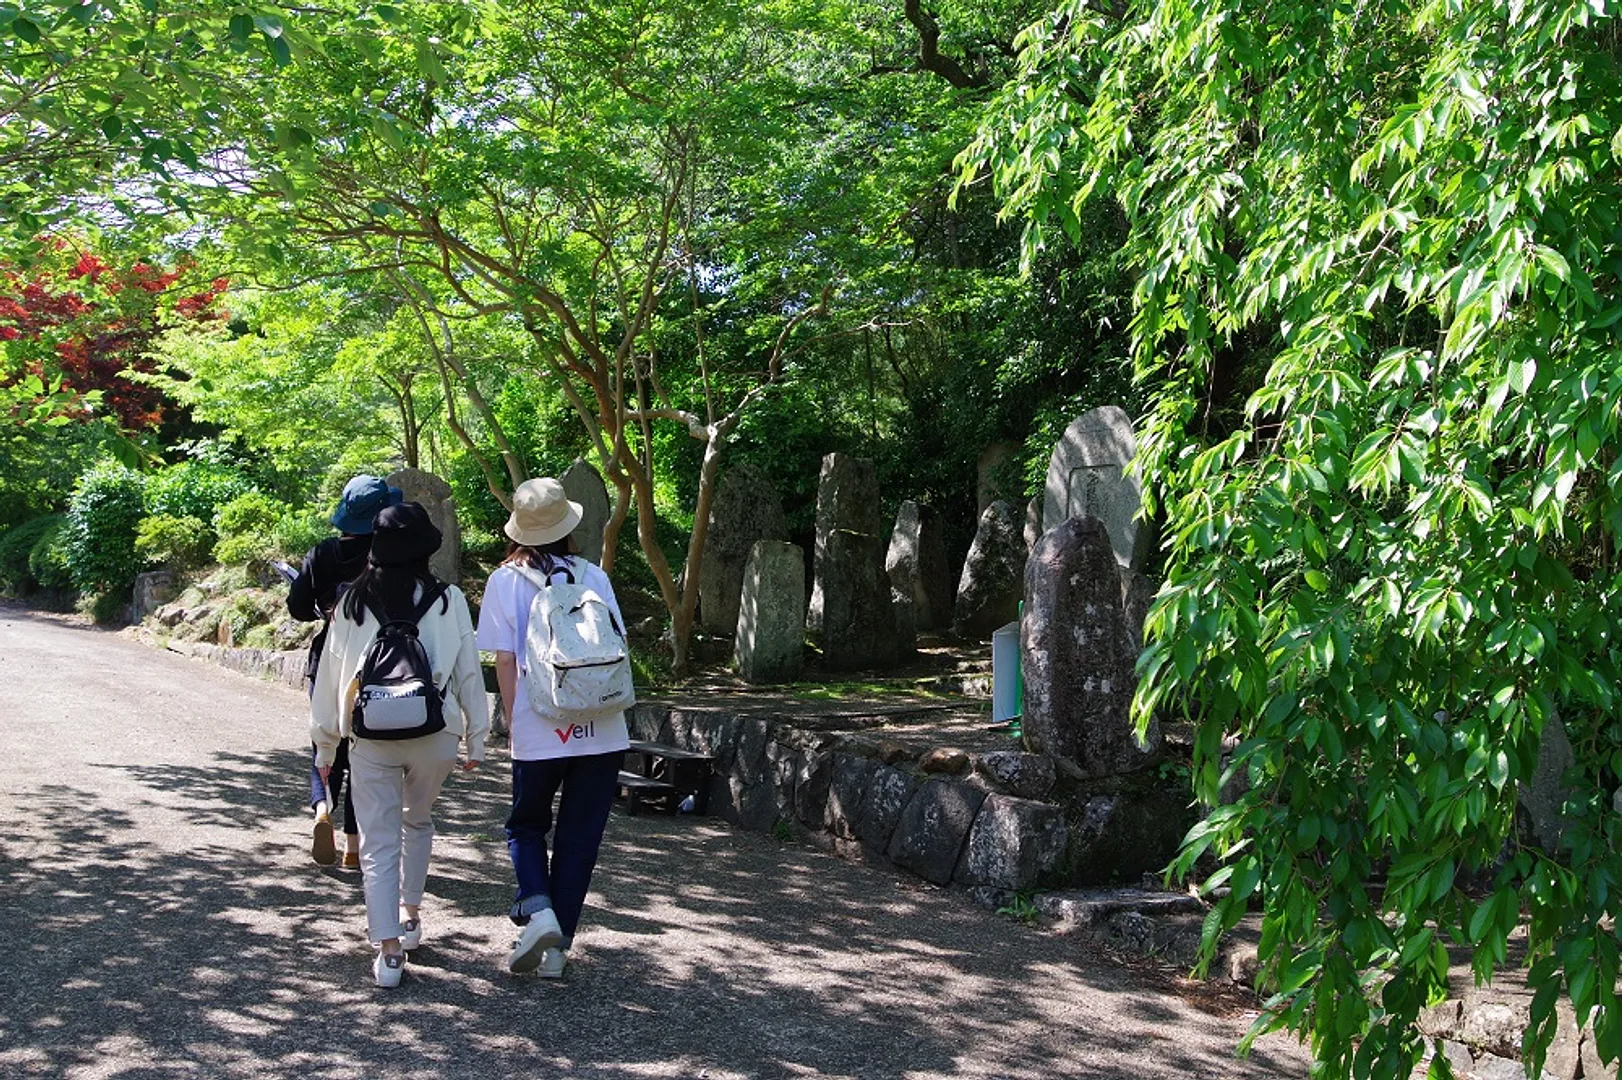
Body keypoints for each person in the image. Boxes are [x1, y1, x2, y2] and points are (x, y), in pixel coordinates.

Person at [311, 502, 489, 988]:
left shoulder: (351, 601)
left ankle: (389, 949)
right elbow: (469, 672)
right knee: (418, 820)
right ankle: (411, 916)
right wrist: (478, 736)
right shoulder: (449, 599)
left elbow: (332, 677)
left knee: (378, 839)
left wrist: (326, 747)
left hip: (371, 735)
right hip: (436, 733)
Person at [477, 476, 628, 978]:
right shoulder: (593, 576)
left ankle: (537, 910)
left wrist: (516, 724)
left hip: (540, 728)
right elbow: (616, 645)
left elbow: (503, 661)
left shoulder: (504, 581)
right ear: (568, 527)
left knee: (525, 825)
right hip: (602, 726)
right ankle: (557, 952)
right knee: (580, 838)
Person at [288, 474, 403, 869]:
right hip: (379, 663)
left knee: (327, 741)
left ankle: (322, 808)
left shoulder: (321, 553)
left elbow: (299, 607)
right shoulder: (389, 556)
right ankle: (354, 847)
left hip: (329, 661)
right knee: (364, 752)